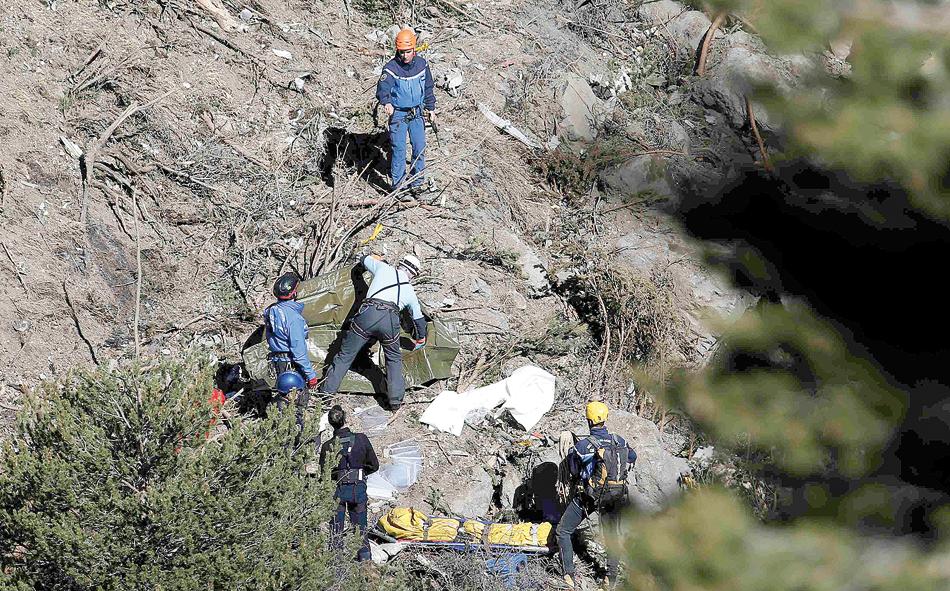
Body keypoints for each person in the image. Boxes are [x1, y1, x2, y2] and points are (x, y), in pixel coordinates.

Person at [320, 254, 427, 410]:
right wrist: (421, 338)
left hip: (367, 315)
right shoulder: (410, 291)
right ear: (414, 274)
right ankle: (395, 402)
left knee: (345, 356)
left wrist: (375, 258)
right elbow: (418, 319)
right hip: (390, 321)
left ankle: (326, 395)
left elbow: (363, 259)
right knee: (393, 360)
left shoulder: (383, 268)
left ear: (400, 264)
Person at [557, 401, 637, 589]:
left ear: (589, 421)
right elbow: (632, 457)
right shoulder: (619, 440)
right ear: (605, 418)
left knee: (563, 531)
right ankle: (610, 579)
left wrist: (573, 452)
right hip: (614, 495)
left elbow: (574, 471)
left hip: (589, 497)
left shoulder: (583, 446)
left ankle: (568, 575)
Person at [375, 28, 436, 195]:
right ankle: (398, 188)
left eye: (408, 52)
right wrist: (386, 102)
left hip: (417, 113)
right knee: (399, 149)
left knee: (419, 147)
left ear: (414, 49)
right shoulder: (391, 68)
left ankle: (417, 184)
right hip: (399, 115)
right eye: (401, 52)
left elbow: (428, 87)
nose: (405, 56)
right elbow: (382, 89)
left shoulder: (422, 65)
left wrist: (431, 108)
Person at [319, 405, 380, 561]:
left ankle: (335, 567)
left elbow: (324, 474)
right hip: (357, 489)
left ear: (330, 423)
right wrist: (360, 472)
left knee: (336, 531)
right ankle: (366, 566)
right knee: (360, 529)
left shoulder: (327, 446)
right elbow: (374, 465)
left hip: (337, 491)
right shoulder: (361, 439)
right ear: (345, 418)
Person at [264, 272, 319, 434]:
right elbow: (298, 352)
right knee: (297, 403)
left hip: (278, 360)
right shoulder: (294, 318)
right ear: (294, 293)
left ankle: (278, 429)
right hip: (291, 363)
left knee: (283, 397)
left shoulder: (271, 311)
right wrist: (310, 375)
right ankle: (296, 435)